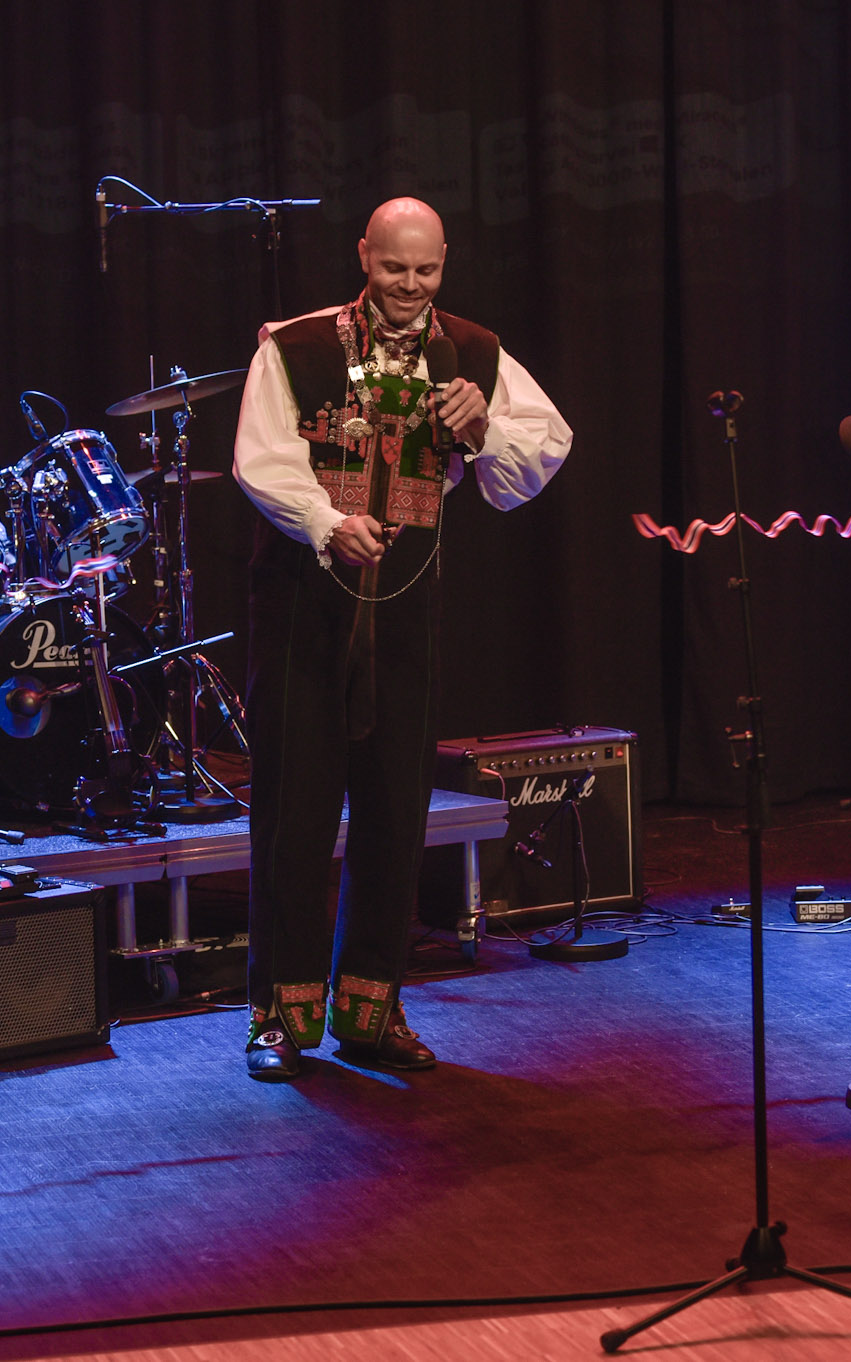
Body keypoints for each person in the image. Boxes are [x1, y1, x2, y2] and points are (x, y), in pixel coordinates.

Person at [232, 198, 571, 1081]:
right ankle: (278, 1017)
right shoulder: (298, 346)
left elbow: (542, 452)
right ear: (364, 256)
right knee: (295, 813)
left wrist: (481, 428)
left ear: (444, 262)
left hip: (407, 606)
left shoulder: (472, 353)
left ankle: (372, 1010)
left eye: (425, 271)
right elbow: (261, 459)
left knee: (394, 812)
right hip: (305, 606)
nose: (410, 287)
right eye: (394, 269)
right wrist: (325, 521)